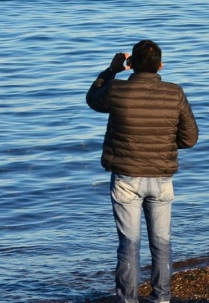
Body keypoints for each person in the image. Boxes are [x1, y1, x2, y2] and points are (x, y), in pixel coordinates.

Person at [86, 40, 199, 303]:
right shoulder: (175, 93)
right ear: (160, 65)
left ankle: (128, 299)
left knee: (129, 244)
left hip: (126, 178)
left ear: (131, 64)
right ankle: (162, 298)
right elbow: (190, 138)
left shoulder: (116, 89)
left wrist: (111, 70)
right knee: (161, 242)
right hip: (161, 177)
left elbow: (92, 99)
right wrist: (165, 145)